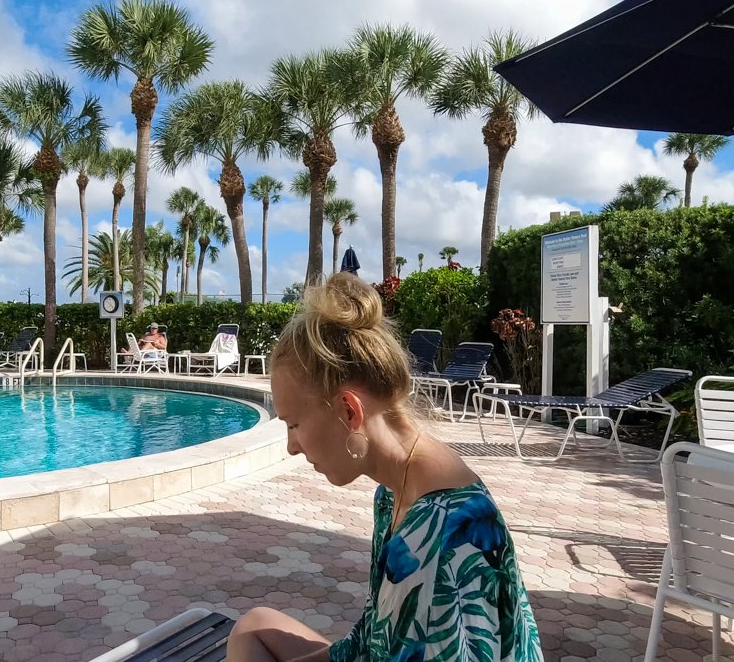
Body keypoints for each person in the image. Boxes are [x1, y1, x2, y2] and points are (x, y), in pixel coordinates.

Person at [227, 273, 542, 662]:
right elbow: (374, 635)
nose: (292, 447)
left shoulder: (442, 534)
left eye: (294, 424)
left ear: (349, 410)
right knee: (255, 624)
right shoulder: (393, 491)